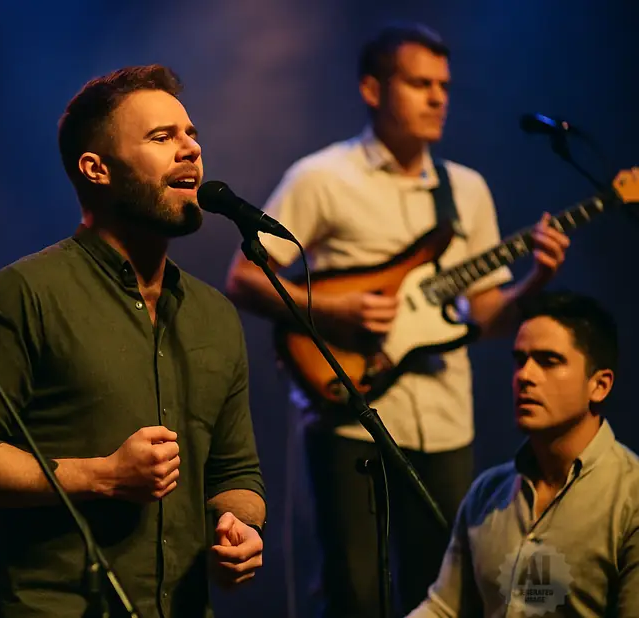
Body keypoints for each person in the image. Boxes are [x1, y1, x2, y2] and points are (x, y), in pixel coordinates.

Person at [224, 22, 570, 617]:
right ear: (372, 88)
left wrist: (535, 281)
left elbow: (485, 319)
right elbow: (245, 277)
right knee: (352, 594)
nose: (438, 98)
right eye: (418, 83)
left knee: (437, 594)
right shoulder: (322, 178)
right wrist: (336, 307)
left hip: (444, 423)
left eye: (443, 85)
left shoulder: (466, 190)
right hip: (349, 421)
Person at [0, 64, 266, 617]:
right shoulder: (22, 293)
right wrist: (101, 476)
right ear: (96, 168)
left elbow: (235, 473)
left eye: (191, 134)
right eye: (162, 137)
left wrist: (239, 526)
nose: (190, 150)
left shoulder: (214, 316)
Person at [409, 290, 639, 617]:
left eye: (549, 361)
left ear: (599, 385)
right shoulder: (488, 493)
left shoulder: (631, 500)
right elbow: (445, 608)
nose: (525, 376)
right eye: (520, 360)